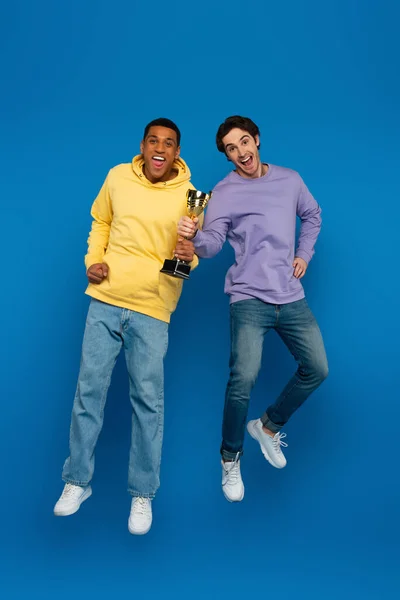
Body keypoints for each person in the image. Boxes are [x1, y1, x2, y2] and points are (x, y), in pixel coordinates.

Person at [54, 118, 198, 534]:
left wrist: (188, 253)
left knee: (148, 403)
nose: (160, 148)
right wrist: (91, 262)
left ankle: (142, 494)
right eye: (153, 140)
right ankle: (76, 482)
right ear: (143, 145)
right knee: (88, 393)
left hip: (153, 309)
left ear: (176, 152)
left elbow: (191, 256)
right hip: (104, 300)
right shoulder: (118, 176)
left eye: (168, 144)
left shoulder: (191, 197)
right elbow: (100, 222)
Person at [178, 115, 328, 502]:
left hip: (290, 295)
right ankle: (230, 458)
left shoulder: (290, 180)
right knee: (243, 379)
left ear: (257, 140)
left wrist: (304, 254)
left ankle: (268, 426)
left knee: (317, 369)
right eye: (232, 148)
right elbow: (212, 243)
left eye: (245, 142)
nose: (241, 151)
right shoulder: (224, 192)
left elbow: (312, 216)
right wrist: (194, 240)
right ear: (227, 155)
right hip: (248, 297)